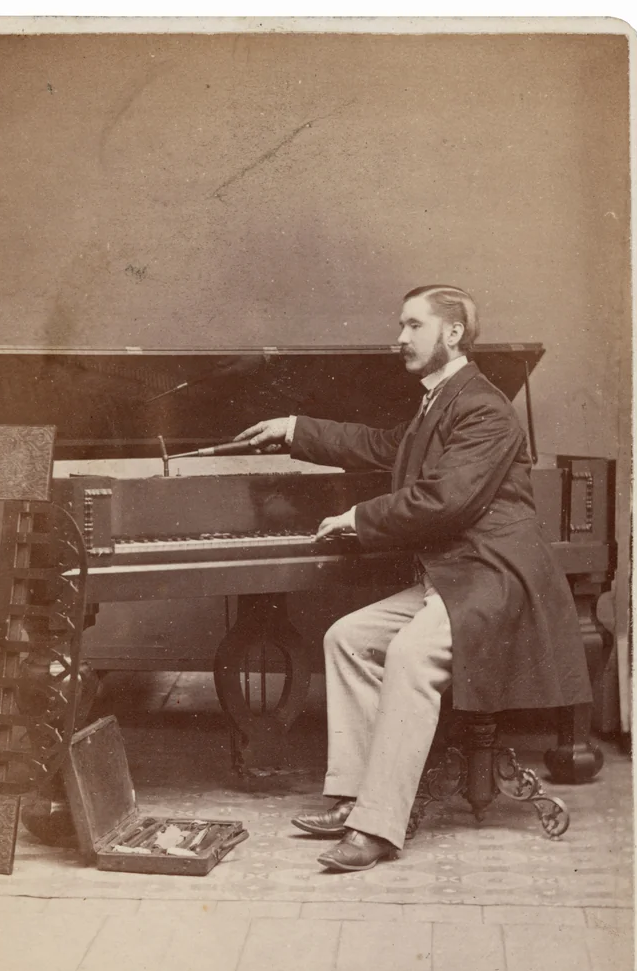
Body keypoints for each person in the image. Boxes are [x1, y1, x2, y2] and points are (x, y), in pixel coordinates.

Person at [233, 284, 591, 873]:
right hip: (456, 577)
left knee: (408, 656)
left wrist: (356, 517)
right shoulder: (440, 402)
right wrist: (297, 427)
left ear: (452, 334)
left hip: (495, 578)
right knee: (346, 637)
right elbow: (381, 445)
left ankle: (377, 829)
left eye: (413, 326)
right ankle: (353, 795)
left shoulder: (483, 407)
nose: (399, 338)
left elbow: (445, 500)